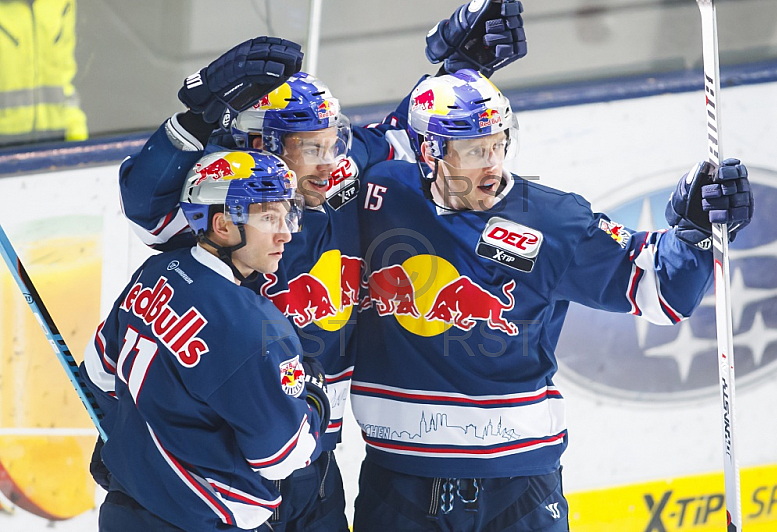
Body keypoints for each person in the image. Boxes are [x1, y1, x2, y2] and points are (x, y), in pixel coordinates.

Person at [114, 2, 527, 528]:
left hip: (314, 462)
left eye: (333, 143)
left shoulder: (337, 179)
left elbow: (405, 132)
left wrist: (462, 74)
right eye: (311, 147)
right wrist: (195, 116)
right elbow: (144, 204)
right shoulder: (222, 208)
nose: (330, 162)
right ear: (262, 146)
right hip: (220, 469)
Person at [350, 70, 754, 531]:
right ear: (429, 153)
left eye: (498, 144)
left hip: (519, 483)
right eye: (473, 150)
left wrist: (696, 234)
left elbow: (658, 290)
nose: (492, 164)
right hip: (399, 482)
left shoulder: (550, 221)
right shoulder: (379, 194)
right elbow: (319, 165)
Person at [79, 150, 331, 531]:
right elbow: (281, 457)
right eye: (268, 217)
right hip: (204, 519)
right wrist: (312, 400)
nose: (286, 232)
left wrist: (132, 450)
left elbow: (98, 373)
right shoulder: (256, 329)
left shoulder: (155, 272)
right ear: (223, 225)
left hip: (124, 510)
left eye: (287, 214)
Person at [0, 0, 88, 146]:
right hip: (5, 146)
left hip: (56, 140)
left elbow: (66, 78)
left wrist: (80, 144)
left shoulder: (61, 4)